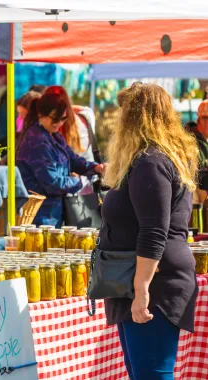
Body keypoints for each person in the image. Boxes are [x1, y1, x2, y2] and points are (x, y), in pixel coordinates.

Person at [101, 83, 199, 379]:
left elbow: (155, 230)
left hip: (152, 282)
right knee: (142, 372)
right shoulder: (148, 160)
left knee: (151, 374)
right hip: (135, 277)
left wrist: (141, 289)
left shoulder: (150, 162)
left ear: (134, 118)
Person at [16, 89, 106, 228]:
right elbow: (52, 182)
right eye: (55, 119)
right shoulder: (37, 141)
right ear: (41, 115)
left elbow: (72, 159)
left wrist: (95, 167)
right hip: (39, 217)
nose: (59, 123)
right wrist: (79, 181)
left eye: (63, 119)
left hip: (52, 214)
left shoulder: (53, 135)